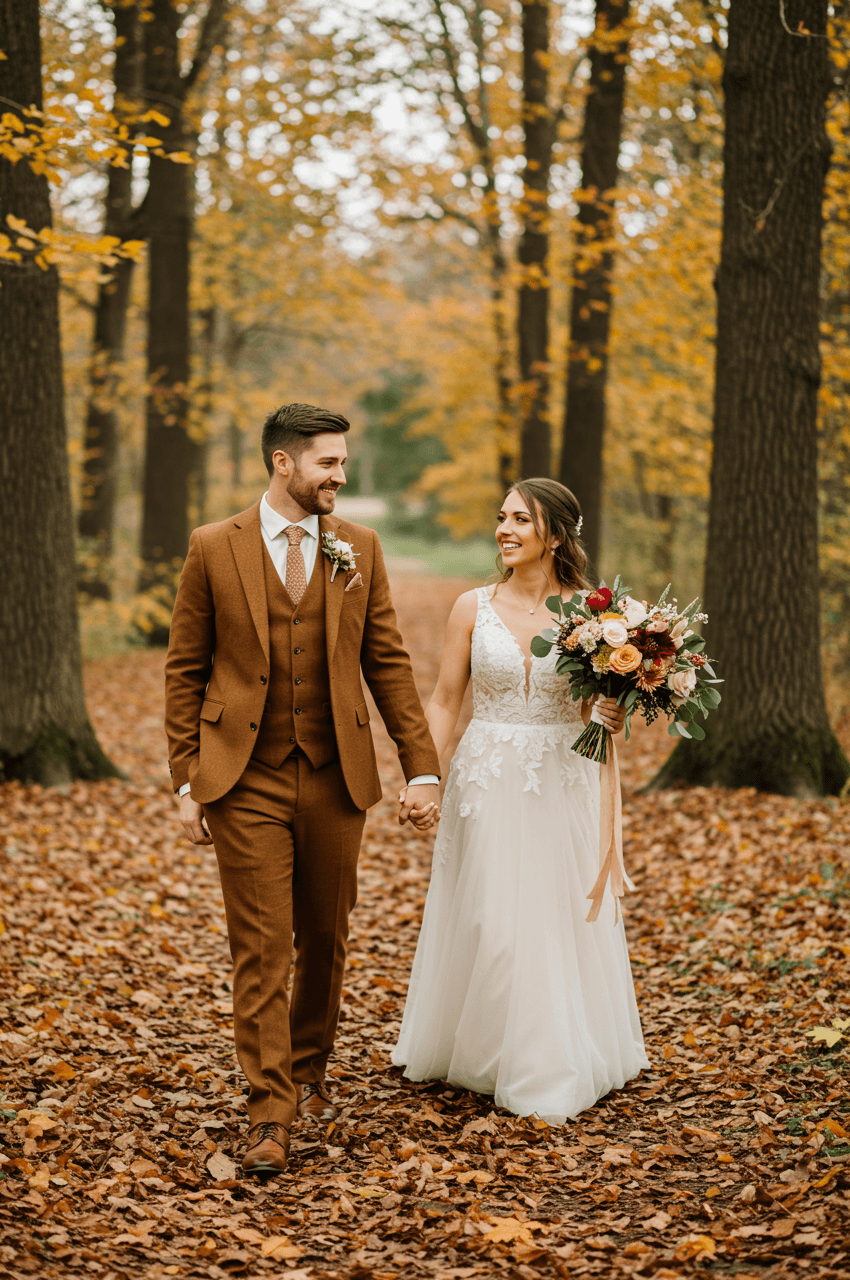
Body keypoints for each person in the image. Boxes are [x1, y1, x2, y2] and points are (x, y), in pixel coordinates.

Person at [165, 403, 441, 1177]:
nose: (340, 476)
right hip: (240, 777)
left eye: (343, 462)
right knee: (260, 946)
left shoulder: (360, 547)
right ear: (283, 462)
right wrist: (188, 777)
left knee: (325, 935)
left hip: (333, 773)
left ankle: (309, 1065)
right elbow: (185, 668)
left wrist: (420, 764)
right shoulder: (213, 547)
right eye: (328, 462)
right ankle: (269, 1111)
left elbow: (387, 663)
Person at [392, 478, 649, 1123]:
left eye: (520, 521)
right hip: (487, 776)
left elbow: (599, 703)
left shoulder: (598, 620)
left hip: (564, 777)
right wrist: (426, 775)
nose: (504, 530)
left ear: (556, 536)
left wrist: (606, 716)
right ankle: (479, 1048)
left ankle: (548, 1060)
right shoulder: (470, 607)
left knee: (557, 916)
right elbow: (448, 701)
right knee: (491, 917)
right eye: (501, 517)